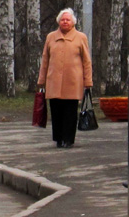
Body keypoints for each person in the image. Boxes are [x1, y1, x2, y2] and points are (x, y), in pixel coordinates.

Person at [37, 8, 93, 148]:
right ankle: (58, 138)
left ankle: (68, 138)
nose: (65, 22)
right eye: (63, 20)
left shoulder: (81, 37)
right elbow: (45, 60)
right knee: (56, 110)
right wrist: (41, 80)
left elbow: (87, 61)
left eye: (68, 20)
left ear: (73, 22)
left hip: (73, 81)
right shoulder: (51, 37)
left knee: (70, 112)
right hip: (54, 80)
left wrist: (88, 81)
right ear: (58, 21)